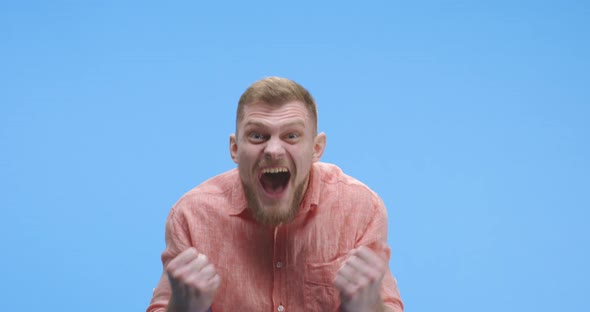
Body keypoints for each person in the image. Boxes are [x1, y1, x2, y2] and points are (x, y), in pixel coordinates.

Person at [146, 77, 404, 312]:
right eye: (258, 135)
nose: (273, 150)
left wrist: (371, 308)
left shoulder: (361, 209)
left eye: (291, 136)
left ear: (316, 148)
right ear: (235, 149)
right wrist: (181, 308)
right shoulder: (191, 217)